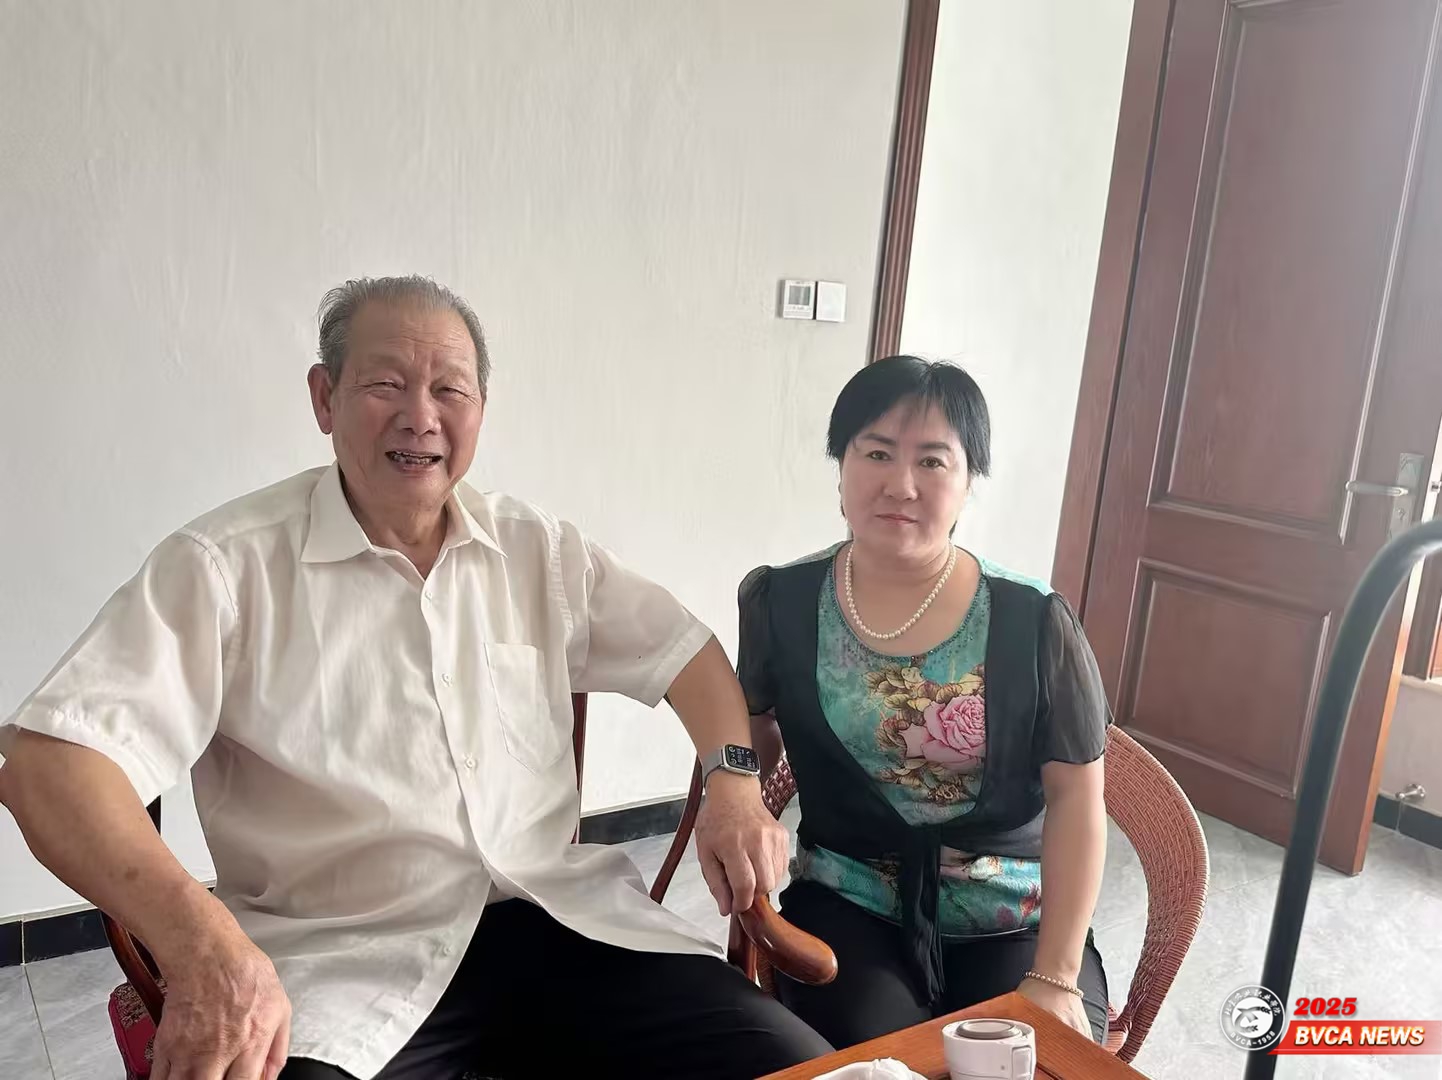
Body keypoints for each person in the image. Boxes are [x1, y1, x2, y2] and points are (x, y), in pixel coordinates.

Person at [0, 276, 830, 1080]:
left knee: (810, 1069)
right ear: (324, 398)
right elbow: (47, 767)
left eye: (449, 390)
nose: (420, 416)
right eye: (385, 384)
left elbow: (687, 653)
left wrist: (733, 786)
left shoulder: (536, 549)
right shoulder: (225, 567)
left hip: (564, 924)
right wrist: (200, 941)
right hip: (339, 961)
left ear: (479, 410)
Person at [736, 356, 1111, 1050]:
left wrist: (1057, 973)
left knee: (1020, 1060)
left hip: (1014, 914)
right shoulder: (780, 602)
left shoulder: (1034, 621)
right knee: (874, 1062)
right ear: (841, 467)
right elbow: (747, 735)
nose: (900, 485)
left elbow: (1078, 801)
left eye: (933, 462)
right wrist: (734, 797)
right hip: (849, 898)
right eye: (876, 453)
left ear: (968, 483)